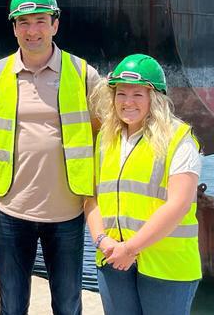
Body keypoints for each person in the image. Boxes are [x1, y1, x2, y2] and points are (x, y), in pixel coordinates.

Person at [0, 0, 101, 315]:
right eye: (23, 22)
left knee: (67, 305)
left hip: (66, 213)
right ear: (14, 28)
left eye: (40, 21)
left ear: (55, 24)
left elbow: (109, 126)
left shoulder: (82, 73)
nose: (32, 30)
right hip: (10, 211)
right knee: (12, 307)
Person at [84, 54, 202, 315]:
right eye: (121, 93)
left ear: (155, 97)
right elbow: (90, 197)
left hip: (167, 265)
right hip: (113, 258)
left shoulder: (178, 139)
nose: (127, 102)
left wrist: (130, 248)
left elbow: (179, 205)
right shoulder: (106, 138)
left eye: (138, 94)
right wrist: (103, 241)